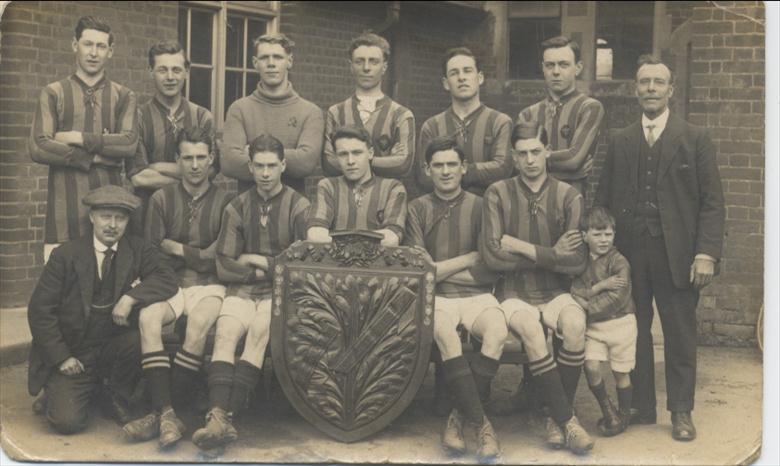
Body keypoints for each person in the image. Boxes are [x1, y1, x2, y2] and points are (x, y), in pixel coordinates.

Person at [595, 55, 725, 441]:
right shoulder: (620, 139)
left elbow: (712, 202)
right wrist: (602, 254)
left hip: (679, 256)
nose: (650, 88)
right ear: (635, 90)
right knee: (632, 329)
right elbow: (602, 199)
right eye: (644, 82)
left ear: (671, 90)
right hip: (630, 254)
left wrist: (706, 254)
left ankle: (681, 411)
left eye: (658, 82)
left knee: (679, 333)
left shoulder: (695, 138)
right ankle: (640, 406)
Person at [191, 134, 310, 454]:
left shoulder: (300, 206)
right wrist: (263, 269)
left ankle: (226, 416)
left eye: (272, 165)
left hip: (281, 292)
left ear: (284, 165)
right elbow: (224, 265)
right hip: (242, 289)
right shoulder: (238, 206)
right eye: (259, 166)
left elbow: (302, 265)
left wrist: (261, 261)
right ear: (250, 167)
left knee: (259, 332)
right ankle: (218, 416)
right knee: (226, 333)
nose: (266, 173)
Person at [480, 121, 594, 455]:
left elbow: (575, 263)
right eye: (522, 153)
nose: (530, 159)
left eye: (535, 151)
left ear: (547, 152)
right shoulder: (497, 193)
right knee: (531, 329)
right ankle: (566, 421)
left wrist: (521, 246)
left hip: (556, 292)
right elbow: (492, 257)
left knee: (575, 324)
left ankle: (551, 416)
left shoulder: (569, 196)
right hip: (513, 294)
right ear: (513, 158)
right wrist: (551, 254)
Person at [27, 185, 178, 435]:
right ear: (92, 217)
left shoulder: (137, 249)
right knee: (67, 423)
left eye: (120, 218)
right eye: (105, 216)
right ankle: (57, 387)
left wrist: (131, 297)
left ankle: (111, 391)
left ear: (128, 220)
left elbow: (167, 278)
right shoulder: (65, 256)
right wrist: (62, 357)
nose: (112, 225)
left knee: (139, 338)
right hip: (73, 352)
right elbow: (40, 312)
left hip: (111, 347)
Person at [121, 127, 233, 448]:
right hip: (169, 283)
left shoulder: (226, 201)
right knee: (147, 319)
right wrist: (177, 253)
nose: (195, 165)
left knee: (198, 324)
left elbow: (218, 258)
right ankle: (168, 414)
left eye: (201, 157)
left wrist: (178, 248)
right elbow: (154, 252)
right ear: (177, 160)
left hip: (210, 285)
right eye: (188, 158)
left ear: (211, 159)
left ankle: (162, 416)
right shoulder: (160, 198)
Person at [406, 136, 504, 461]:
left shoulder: (480, 204)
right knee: (446, 336)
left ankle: (458, 416)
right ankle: (482, 424)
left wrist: (439, 268)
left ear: (463, 168)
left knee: (497, 332)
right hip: (439, 300)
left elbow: (490, 267)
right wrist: (467, 258)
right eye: (438, 165)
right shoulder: (416, 208)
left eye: (452, 164)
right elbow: (422, 271)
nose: (445, 171)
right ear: (427, 169)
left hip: (477, 295)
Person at [29, 16, 138, 263]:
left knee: (107, 293)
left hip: (110, 215)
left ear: (110, 51)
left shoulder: (124, 96)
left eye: (101, 46)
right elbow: (38, 146)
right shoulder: (53, 92)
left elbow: (129, 143)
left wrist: (78, 137)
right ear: (74, 45)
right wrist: (95, 156)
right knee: (62, 294)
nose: (93, 53)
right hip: (62, 215)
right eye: (87, 44)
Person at [127, 40, 217, 230]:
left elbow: (210, 170)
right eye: (162, 70)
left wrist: (156, 166)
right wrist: (190, 178)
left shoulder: (202, 117)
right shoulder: (138, 117)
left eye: (176, 70)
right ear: (150, 71)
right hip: (148, 215)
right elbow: (139, 177)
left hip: (195, 216)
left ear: (186, 71)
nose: (170, 77)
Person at [220, 33, 324, 194]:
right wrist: (288, 157)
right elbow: (229, 163)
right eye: (264, 58)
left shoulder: (310, 112)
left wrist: (252, 154)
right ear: (255, 63)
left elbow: (306, 163)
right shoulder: (239, 109)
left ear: (289, 61)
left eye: (277, 57)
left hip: (292, 211)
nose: (271, 64)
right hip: (247, 209)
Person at [570, 206, 637, 437]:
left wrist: (587, 305)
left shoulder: (620, 262)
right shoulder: (580, 261)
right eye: (597, 234)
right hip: (595, 328)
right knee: (590, 365)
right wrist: (600, 286)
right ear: (584, 236)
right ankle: (608, 410)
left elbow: (618, 296)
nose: (603, 240)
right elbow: (574, 289)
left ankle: (624, 415)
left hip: (621, 323)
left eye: (608, 234)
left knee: (620, 373)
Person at [416, 47, 512, 196]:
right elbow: (424, 176)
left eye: (467, 71)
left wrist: (451, 174)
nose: (461, 77)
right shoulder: (432, 126)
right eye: (454, 73)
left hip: (489, 208)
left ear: (480, 78)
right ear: (446, 83)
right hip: (442, 210)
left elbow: (503, 168)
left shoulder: (500, 122)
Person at [516, 36, 604, 195]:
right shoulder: (528, 114)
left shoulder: (589, 107)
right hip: (531, 199)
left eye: (563, 65)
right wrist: (571, 173)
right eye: (550, 65)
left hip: (572, 199)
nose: (556, 72)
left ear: (578, 68)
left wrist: (534, 161)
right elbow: (516, 163)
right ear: (543, 68)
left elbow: (573, 159)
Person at [322, 32, 415, 179]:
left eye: (373, 61)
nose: (366, 67)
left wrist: (349, 160)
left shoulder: (401, 114)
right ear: (351, 66)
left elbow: (403, 164)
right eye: (359, 61)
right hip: (344, 197)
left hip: (385, 196)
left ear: (384, 67)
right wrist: (384, 160)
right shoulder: (336, 112)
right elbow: (329, 163)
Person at [308, 126, 406, 247]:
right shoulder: (328, 186)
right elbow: (314, 235)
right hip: (335, 264)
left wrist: (338, 239)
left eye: (357, 153)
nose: (350, 161)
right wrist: (370, 239)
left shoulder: (393, 188)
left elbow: (391, 238)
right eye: (343, 154)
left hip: (378, 264)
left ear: (370, 153)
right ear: (336, 157)